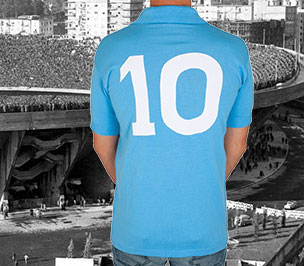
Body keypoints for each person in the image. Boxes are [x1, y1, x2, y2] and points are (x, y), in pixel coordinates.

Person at [90, 0, 252, 264]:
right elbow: (237, 144)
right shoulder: (234, 49)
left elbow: (102, 144)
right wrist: (200, 185)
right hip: (203, 228)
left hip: (135, 229)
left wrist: (138, 188)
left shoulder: (111, 48)